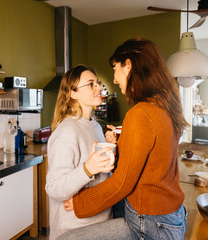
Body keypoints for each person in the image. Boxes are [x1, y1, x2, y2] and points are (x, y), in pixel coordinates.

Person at [60, 38, 188, 240]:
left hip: (150, 222)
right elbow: (155, 157)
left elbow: (122, 183)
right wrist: (123, 144)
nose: (114, 78)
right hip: (170, 216)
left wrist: (80, 203)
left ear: (128, 66)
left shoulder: (141, 113)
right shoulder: (165, 105)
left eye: (114, 69)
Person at [46, 64, 121, 240]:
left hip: (99, 222)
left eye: (97, 83)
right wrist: (87, 169)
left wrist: (112, 151)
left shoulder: (94, 125)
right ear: (73, 93)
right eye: (91, 84)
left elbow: (102, 173)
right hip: (75, 230)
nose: (99, 88)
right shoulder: (66, 131)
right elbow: (54, 188)